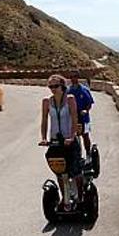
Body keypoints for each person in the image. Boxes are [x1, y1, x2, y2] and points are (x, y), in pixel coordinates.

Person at [39, 74, 82, 202]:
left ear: (62, 86)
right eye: (50, 86)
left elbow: (75, 119)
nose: (53, 89)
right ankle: (65, 198)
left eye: (56, 86)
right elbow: (44, 121)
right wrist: (44, 138)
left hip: (69, 140)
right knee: (59, 170)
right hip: (55, 141)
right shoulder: (46, 102)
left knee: (75, 170)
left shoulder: (70, 99)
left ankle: (80, 197)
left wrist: (72, 136)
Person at [67, 69, 94, 158]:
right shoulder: (68, 90)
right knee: (72, 136)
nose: (72, 79)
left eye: (74, 76)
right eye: (71, 77)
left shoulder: (84, 90)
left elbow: (89, 103)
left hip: (83, 117)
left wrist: (86, 111)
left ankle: (88, 153)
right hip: (72, 117)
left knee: (85, 136)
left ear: (78, 77)